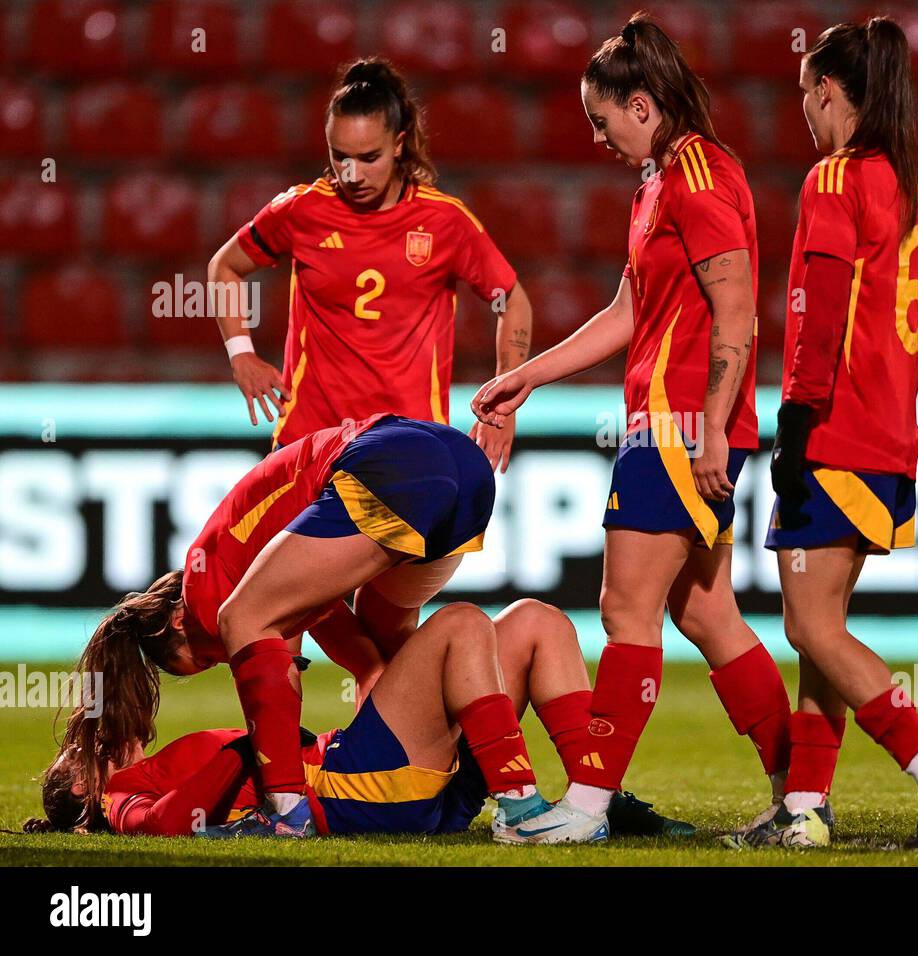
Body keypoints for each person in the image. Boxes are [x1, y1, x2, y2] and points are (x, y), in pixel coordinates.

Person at [471, 13, 792, 842]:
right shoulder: (659, 184)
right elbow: (628, 311)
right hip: (673, 422)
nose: (597, 135)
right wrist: (524, 377)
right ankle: (801, 795)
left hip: (681, 427)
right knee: (707, 615)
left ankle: (586, 808)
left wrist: (712, 426)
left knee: (624, 611)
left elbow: (737, 310)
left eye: (602, 118)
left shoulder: (700, 177)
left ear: (642, 103)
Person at [35, 412, 563, 839]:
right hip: (453, 469)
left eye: (207, 656)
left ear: (179, 619)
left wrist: (257, 758)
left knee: (501, 623)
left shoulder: (207, 590)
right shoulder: (121, 796)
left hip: (388, 463)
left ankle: (284, 812)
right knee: (505, 624)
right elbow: (362, 660)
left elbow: (333, 658)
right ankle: (572, 799)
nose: (231, 661)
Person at [732, 19, 918, 850]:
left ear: (830, 93)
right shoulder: (906, 187)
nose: (803, 111)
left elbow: (818, 310)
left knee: (810, 629)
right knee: (823, 634)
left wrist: (795, 420)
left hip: (835, 432)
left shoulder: (834, 180)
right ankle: (806, 810)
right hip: (886, 437)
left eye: (807, 95)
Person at [28, 600, 683, 843]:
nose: (78, 749)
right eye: (70, 764)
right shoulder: (118, 800)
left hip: (387, 787)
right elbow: (172, 823)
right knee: (459, 625)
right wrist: (260, 747)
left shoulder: (146, 768)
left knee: (539, 622)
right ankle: (520, 810)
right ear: (81, 792)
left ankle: (589, 801)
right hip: (353, 790)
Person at [208, 57, 531, 472]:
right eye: (340, 156)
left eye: (368, 157)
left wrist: (503, 402)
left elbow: (512, 300)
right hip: (306, 444)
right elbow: (224, 267)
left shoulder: (444, 222)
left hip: (409, 449)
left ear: (398, 144)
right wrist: (241, 354)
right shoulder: (301, 211)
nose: (352, 173)